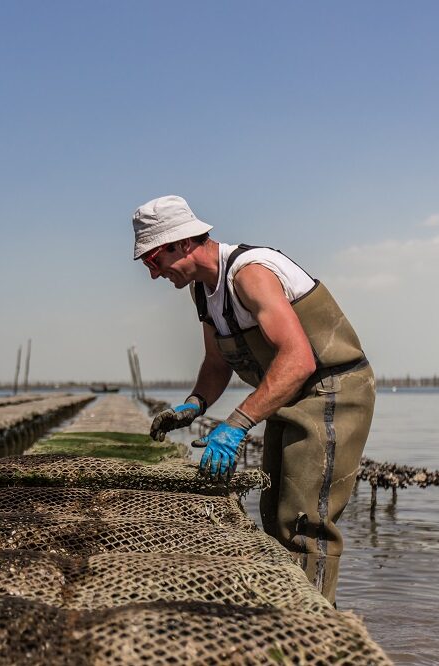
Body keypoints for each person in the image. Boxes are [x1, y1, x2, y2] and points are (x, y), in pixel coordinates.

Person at [134, 195, 375, 603]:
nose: (155, 275)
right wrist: (193, 406)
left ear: (182, 243)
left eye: (154, 261)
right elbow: (216, 362)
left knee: (305, 522)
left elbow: (297, 360)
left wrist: (236, 425)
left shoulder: (250, 274)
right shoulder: (204, 292)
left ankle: (316, 632)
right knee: (274, 517)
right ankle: (290, 611)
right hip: (286, 397)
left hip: (331, 393)